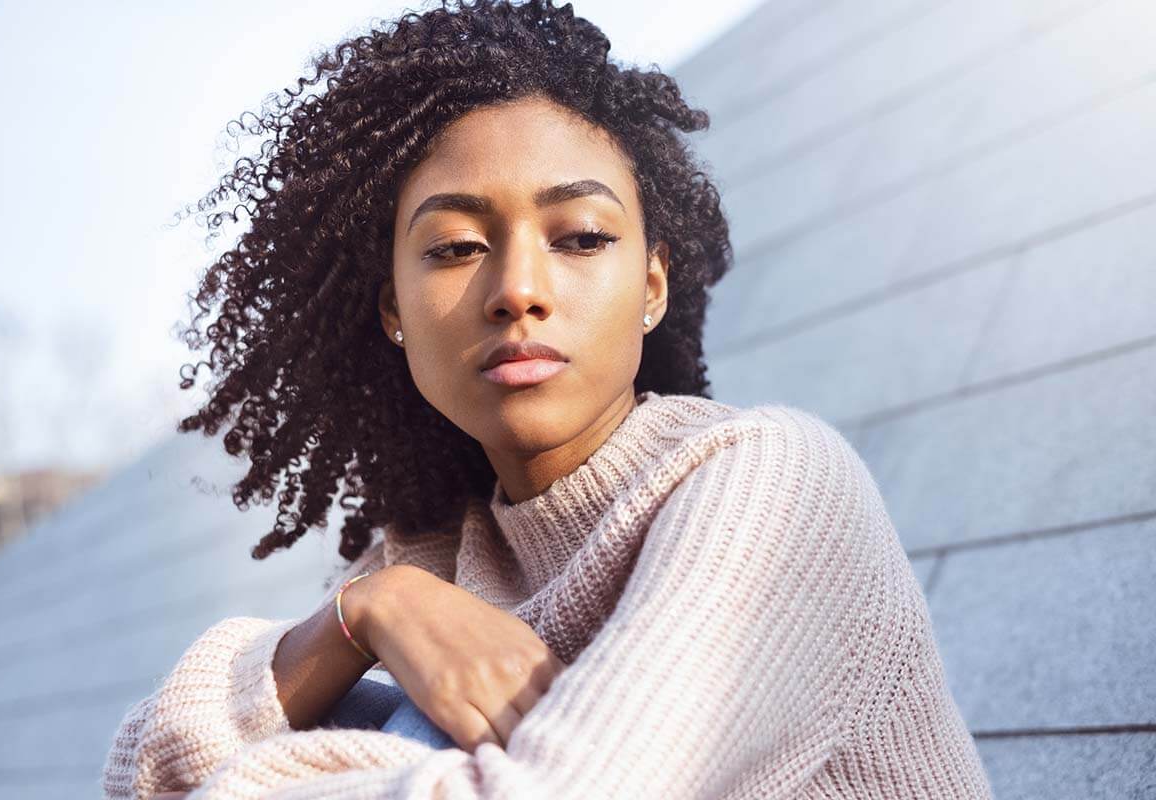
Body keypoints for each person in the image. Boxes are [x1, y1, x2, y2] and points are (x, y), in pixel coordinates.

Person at [102, 0, 994, 797]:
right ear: (392, 311)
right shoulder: (435, 558)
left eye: (579, 236)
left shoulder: (773, 486)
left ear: (652, 287)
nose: (517, 288)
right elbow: (142, 772)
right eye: (454, 247)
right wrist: (373, 609)